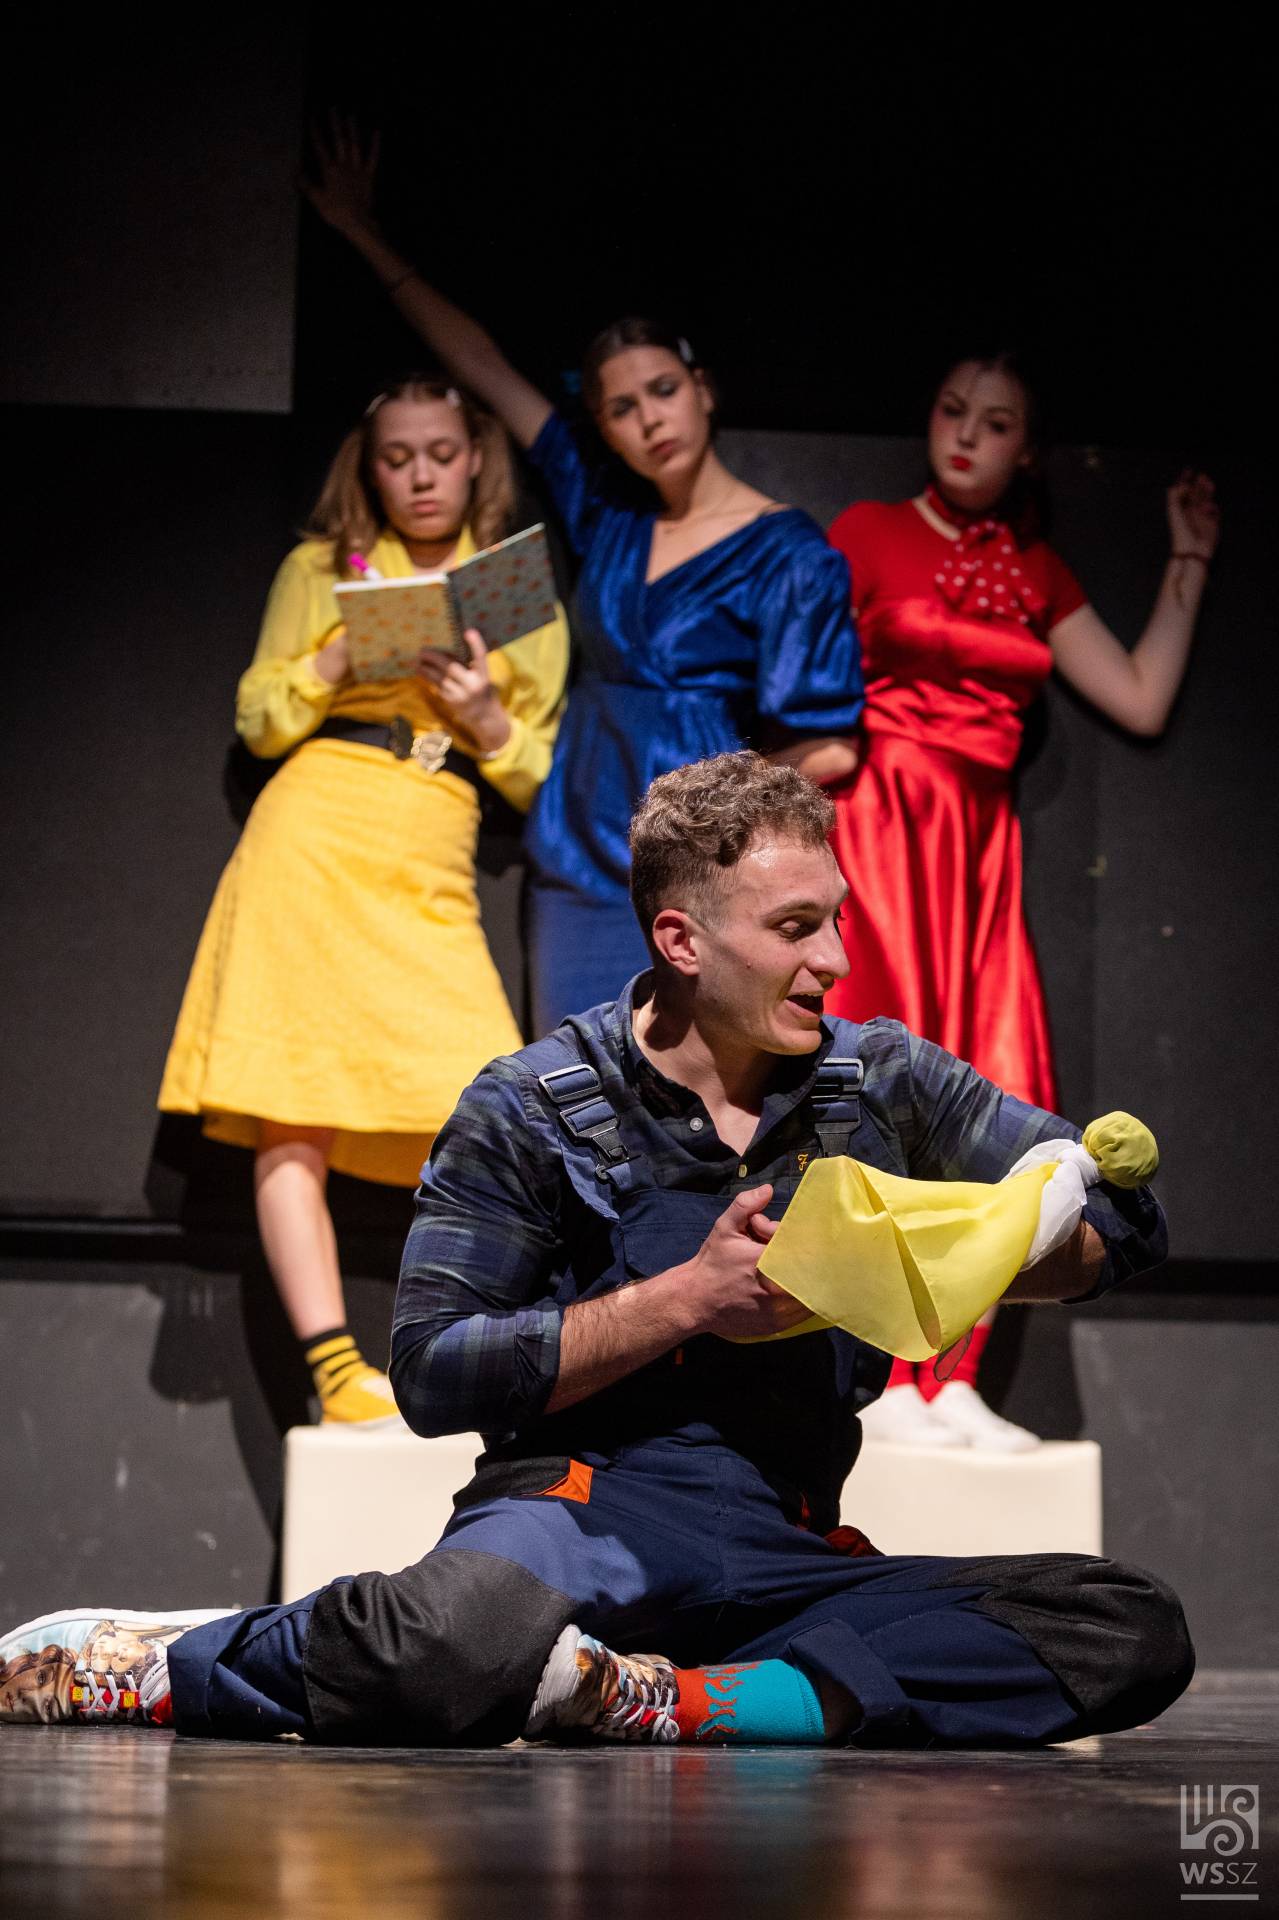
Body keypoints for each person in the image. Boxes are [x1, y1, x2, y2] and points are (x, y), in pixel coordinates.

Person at [4, 754, 1192, 1749]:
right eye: (795, 929)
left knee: (1123, 1626)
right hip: (575, 1516)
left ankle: (672, 1700)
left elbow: (1120, 1222)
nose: (834, 959)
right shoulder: (530, 1104)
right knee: (454, 1642)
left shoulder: (883, 1079)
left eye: (835, 920)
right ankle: (156, 1660)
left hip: (781, 1539)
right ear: (682, 938)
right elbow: (431, 1371)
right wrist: (689, 1298)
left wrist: (960, 1259)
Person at [300, 122, 864, 1032]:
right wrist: (364, 237)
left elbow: (830, 747)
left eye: (663, 391)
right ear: (602, 428)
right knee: (572, 1078)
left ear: (701, 388)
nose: (649, 420)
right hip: (577, 843)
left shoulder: (790, 553)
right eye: (621, 407)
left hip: (701, 865)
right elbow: (482, 367)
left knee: (695, 1085)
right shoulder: (608, 512)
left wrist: (711, 822)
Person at [825, 351, 1219, 1451]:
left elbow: (1137, 697)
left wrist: (1188, 559)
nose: (965, 435)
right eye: (951, 411)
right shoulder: (865, 531)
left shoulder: (1034, 568)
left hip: (980, 848)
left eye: (994, 423)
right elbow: (801, 679)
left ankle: (945, 1380)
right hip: (882, 824)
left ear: (1026, 449)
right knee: (876, 1084)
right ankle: (874, 1377)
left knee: (995, 1079)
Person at [158, 376, 569, 1425]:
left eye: (440, 453)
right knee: (292, 1105)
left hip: (431, 829)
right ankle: (336, 1370)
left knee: (490, 1104)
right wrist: (332, 657)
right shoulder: (319, 567)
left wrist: (487, 720)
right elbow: (259, 718)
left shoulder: (514, 584)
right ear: (368, 464)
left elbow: (542, 775)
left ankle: (487, 1354)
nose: (420, 476)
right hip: (314, 826)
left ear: (474, 457)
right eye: (397, 457)